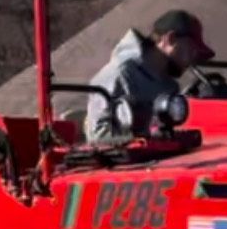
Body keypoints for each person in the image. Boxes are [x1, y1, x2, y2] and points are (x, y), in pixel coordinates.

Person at [85, 9, 215, 139]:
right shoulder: (119, 74)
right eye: (191, 50)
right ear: (170, 39)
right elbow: (97, 137)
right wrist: (146, 137)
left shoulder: (168, 85)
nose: (192, 59)